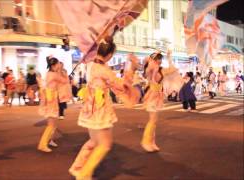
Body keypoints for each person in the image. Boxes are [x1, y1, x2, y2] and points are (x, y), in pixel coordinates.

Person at [68, 36, 139, 179]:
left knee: (94, 141)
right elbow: (122, 86)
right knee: (105, 144)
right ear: (110, 55)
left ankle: (78, 166)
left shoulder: (92, 65)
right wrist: (132, 67)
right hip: (99, 108)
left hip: (90, 106)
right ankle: (82, 174)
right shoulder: (103, 69)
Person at [141, 50, 183, 153]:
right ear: (153, 60)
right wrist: (151, 59)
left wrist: (169, 57)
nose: (159, 60)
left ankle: (152, 142)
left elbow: (173, 69)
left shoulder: (161, 70)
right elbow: (146, 71)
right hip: (152, 95)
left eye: (160, 58)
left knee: (154, 121)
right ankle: (146, 142)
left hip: (158, 96)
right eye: (157, 58)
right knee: (153, 120)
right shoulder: (150, 69)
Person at [37, 57, 69, 152]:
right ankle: (42, 144)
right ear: (54, 65)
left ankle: (50, 140)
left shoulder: (50, 73)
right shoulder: (53, 75)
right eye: (58, 63)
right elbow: (65, 81)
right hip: (51, 100)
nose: (60, 65)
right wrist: (63, 72)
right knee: (51, 124)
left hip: (51, 99)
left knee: (53, 123)